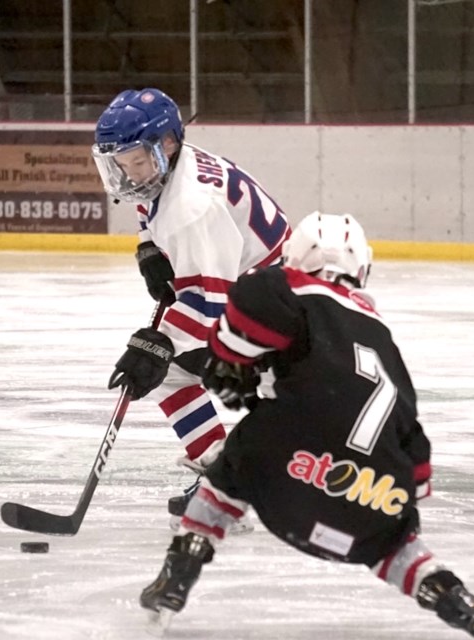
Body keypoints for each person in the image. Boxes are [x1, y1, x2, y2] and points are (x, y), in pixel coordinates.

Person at [138, 212, 474, 639]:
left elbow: (248, 312)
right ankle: (455, 601)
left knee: (238, 460)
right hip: (369, 486)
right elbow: (412, 447)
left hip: (290, 479)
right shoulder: (378, 330)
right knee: (391, 539)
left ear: (295, 257)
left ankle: (180, 569)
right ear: (362, 267)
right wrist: (399, 496)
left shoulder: (290, 287)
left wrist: (227, 361)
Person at [90, 87, 291, 531]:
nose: (127, 175)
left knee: (176, 369)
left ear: (165, 145)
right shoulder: (165, 166)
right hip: (260, 290)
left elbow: (207, 299)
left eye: (135, 162)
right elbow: (146, 203)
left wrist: (156, 346)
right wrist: (148, 247)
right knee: (177, 369)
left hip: (285, 307)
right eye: (119, 164)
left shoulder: (194, 207)